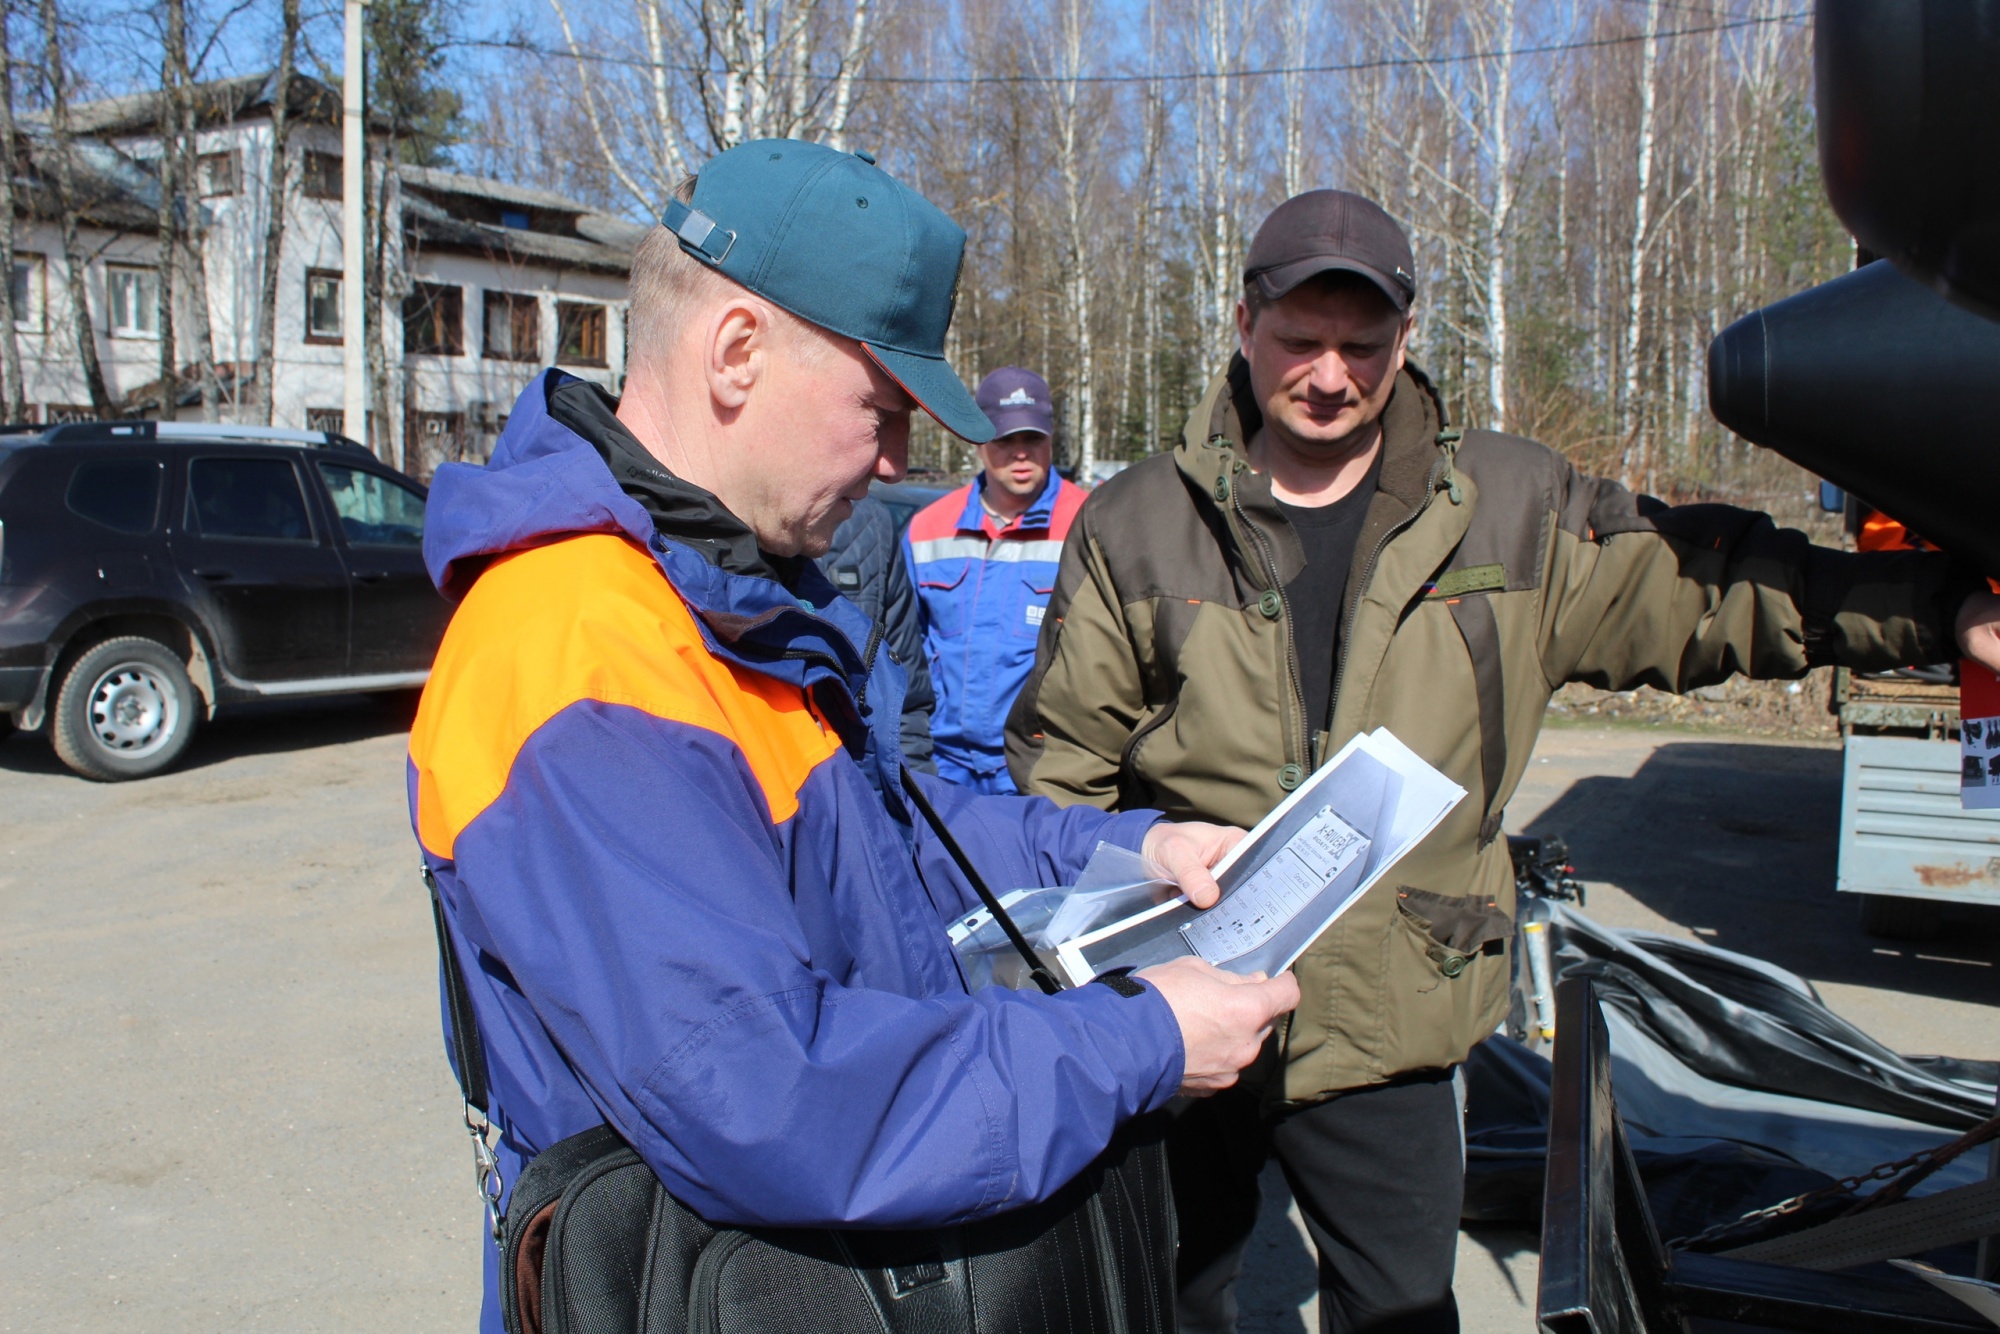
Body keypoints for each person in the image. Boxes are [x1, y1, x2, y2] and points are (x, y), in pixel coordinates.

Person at [1005, 188, 2000, 1333]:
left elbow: (1709, 592)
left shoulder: (1511, 507)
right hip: (1179, 1014)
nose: (1329, 374)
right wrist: (1080, 991)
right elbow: (1059, 772)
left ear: (1406, 339)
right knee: (1166, 1298)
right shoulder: (1138, 521)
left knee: (1402, 1310)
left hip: (1398, 1018)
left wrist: (1934, 605)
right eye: (1298, 340)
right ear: (1241, 323)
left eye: (1361, 345)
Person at [407, 139, 1298, 1334]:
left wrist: (1132, 852)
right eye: (880, 407)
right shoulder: (577, 652)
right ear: (736, 352)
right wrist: (1137, 1039)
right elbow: (769, 1094)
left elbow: (886, 842)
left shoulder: (714, 596)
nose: (894, 460)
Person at [905, 367, 1086, 792]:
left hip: (1044, 771)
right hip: (942, 768)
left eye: (1032, 439)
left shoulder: (1090, 524)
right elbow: (902, 651)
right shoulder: (928, 528)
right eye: (1006, 440)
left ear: (1051, 438)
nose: (1020, 454)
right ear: (980, 441)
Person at [821, 493, 936, 778]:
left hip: (864, 796)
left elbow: (906, 706)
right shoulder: (708, 529)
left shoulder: (873, 524)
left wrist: (914, 805)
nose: (891, 470)